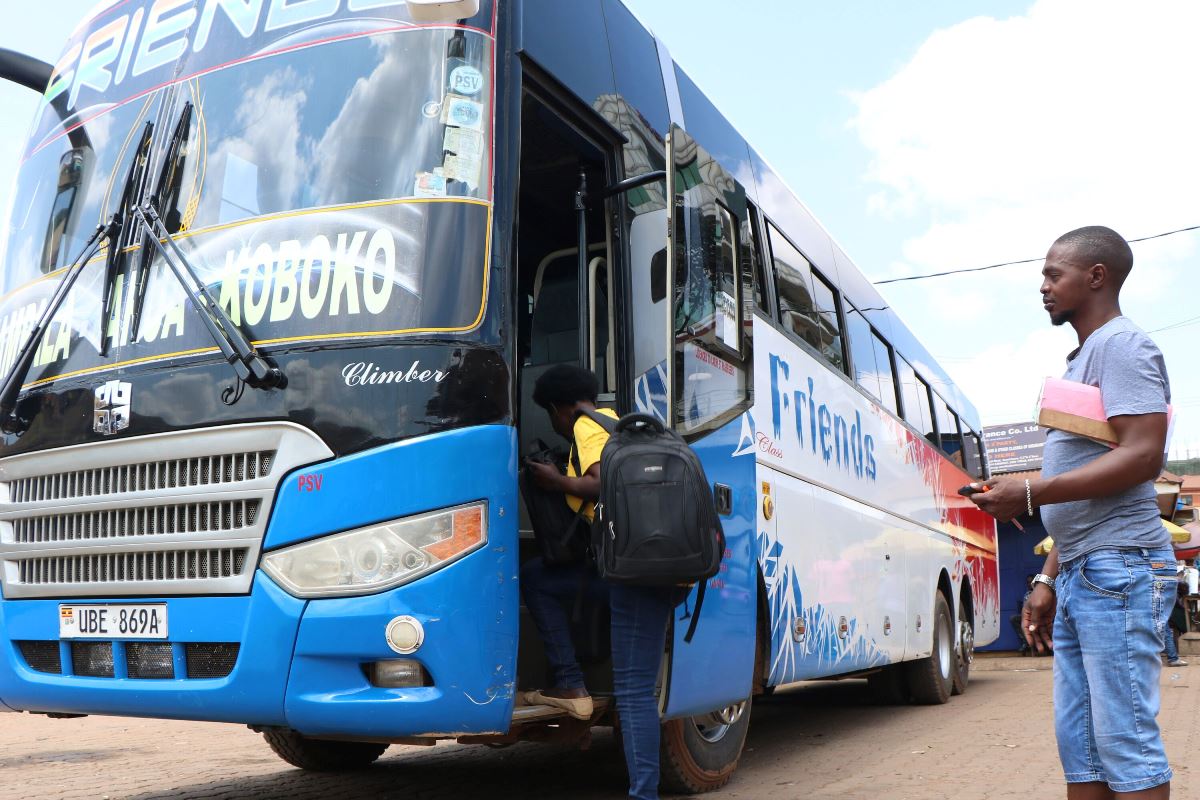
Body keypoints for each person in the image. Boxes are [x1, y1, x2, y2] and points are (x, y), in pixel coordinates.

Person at [970, 226, 1174, 798]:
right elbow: (1083, 493)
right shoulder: (1083, 359)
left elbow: (1143, 456)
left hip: (1121, 570)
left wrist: (1030, 494)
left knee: (1124, 744)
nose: (1043, 286)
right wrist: (1046, 576)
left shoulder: (1123, 346)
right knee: (1081, 750)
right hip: (1087, 570)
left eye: (1053, 274)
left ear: (1096, 276)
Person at [520, 364, 675, 800]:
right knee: (540, 578)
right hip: (652, 565)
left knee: (633, 692)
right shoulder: (617, 420)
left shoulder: (587, 427)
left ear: (559, 408)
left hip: (630, 571)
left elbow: (599, 483)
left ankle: (643, 793)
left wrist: (555, 480)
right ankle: (569, 679)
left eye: (551, 414)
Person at [1010, 575, 1036, 655]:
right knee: (1013, 618)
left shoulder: (1040, 592)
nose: (1029, 584)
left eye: (1031, 582)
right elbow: (1024, 609)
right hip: (1027, 617)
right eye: (1027, 582)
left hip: (1038, 617)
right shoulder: (1027, 594)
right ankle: (1025, 642)